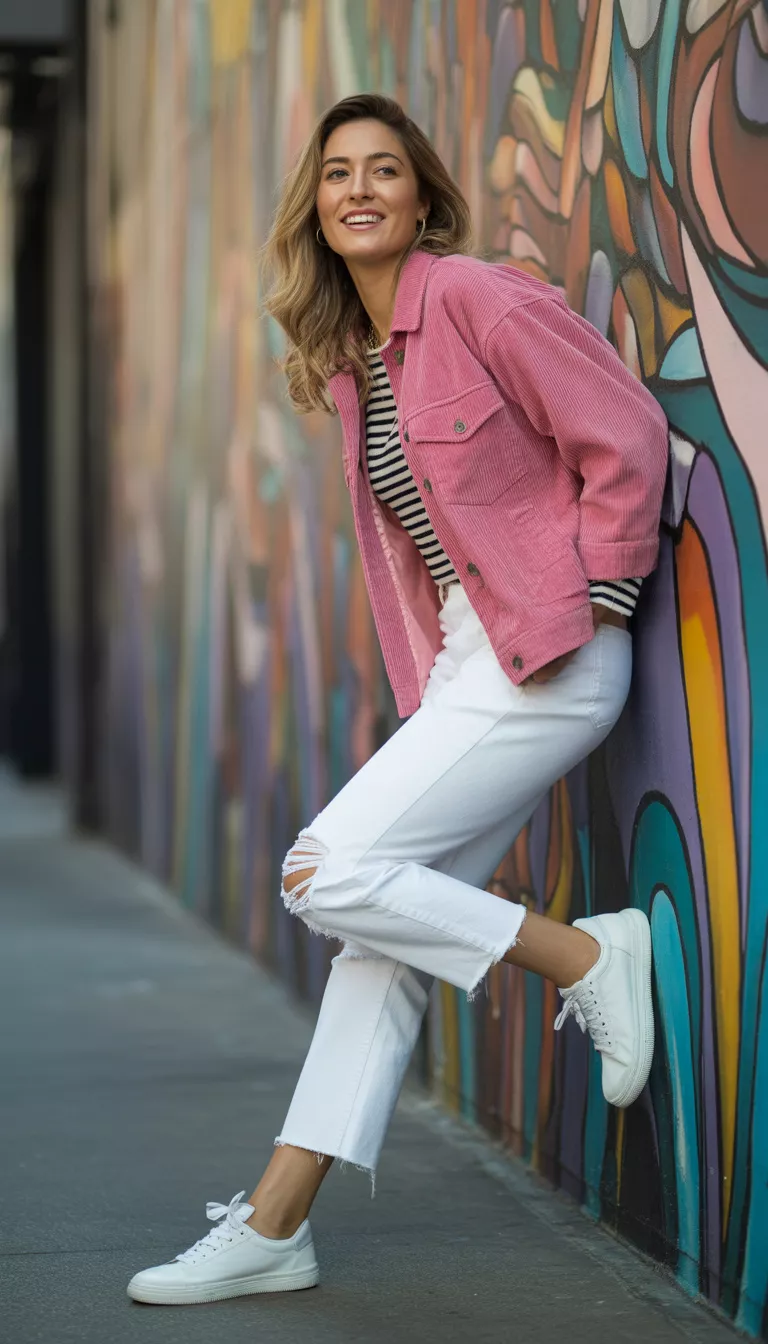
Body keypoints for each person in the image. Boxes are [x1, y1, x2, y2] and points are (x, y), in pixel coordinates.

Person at [127, 94, 669, 1306]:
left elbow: (625, 430)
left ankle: (587, 955)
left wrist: (606, 604)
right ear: (315, 209)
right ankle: (278, 1221)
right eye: (336, 176)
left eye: (384, 171)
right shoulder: (363, 365)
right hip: (476, 667)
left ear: (422, 196)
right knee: (373, 942)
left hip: (549, 655)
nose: (360, 190)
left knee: (320, 874)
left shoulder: (475, 298)